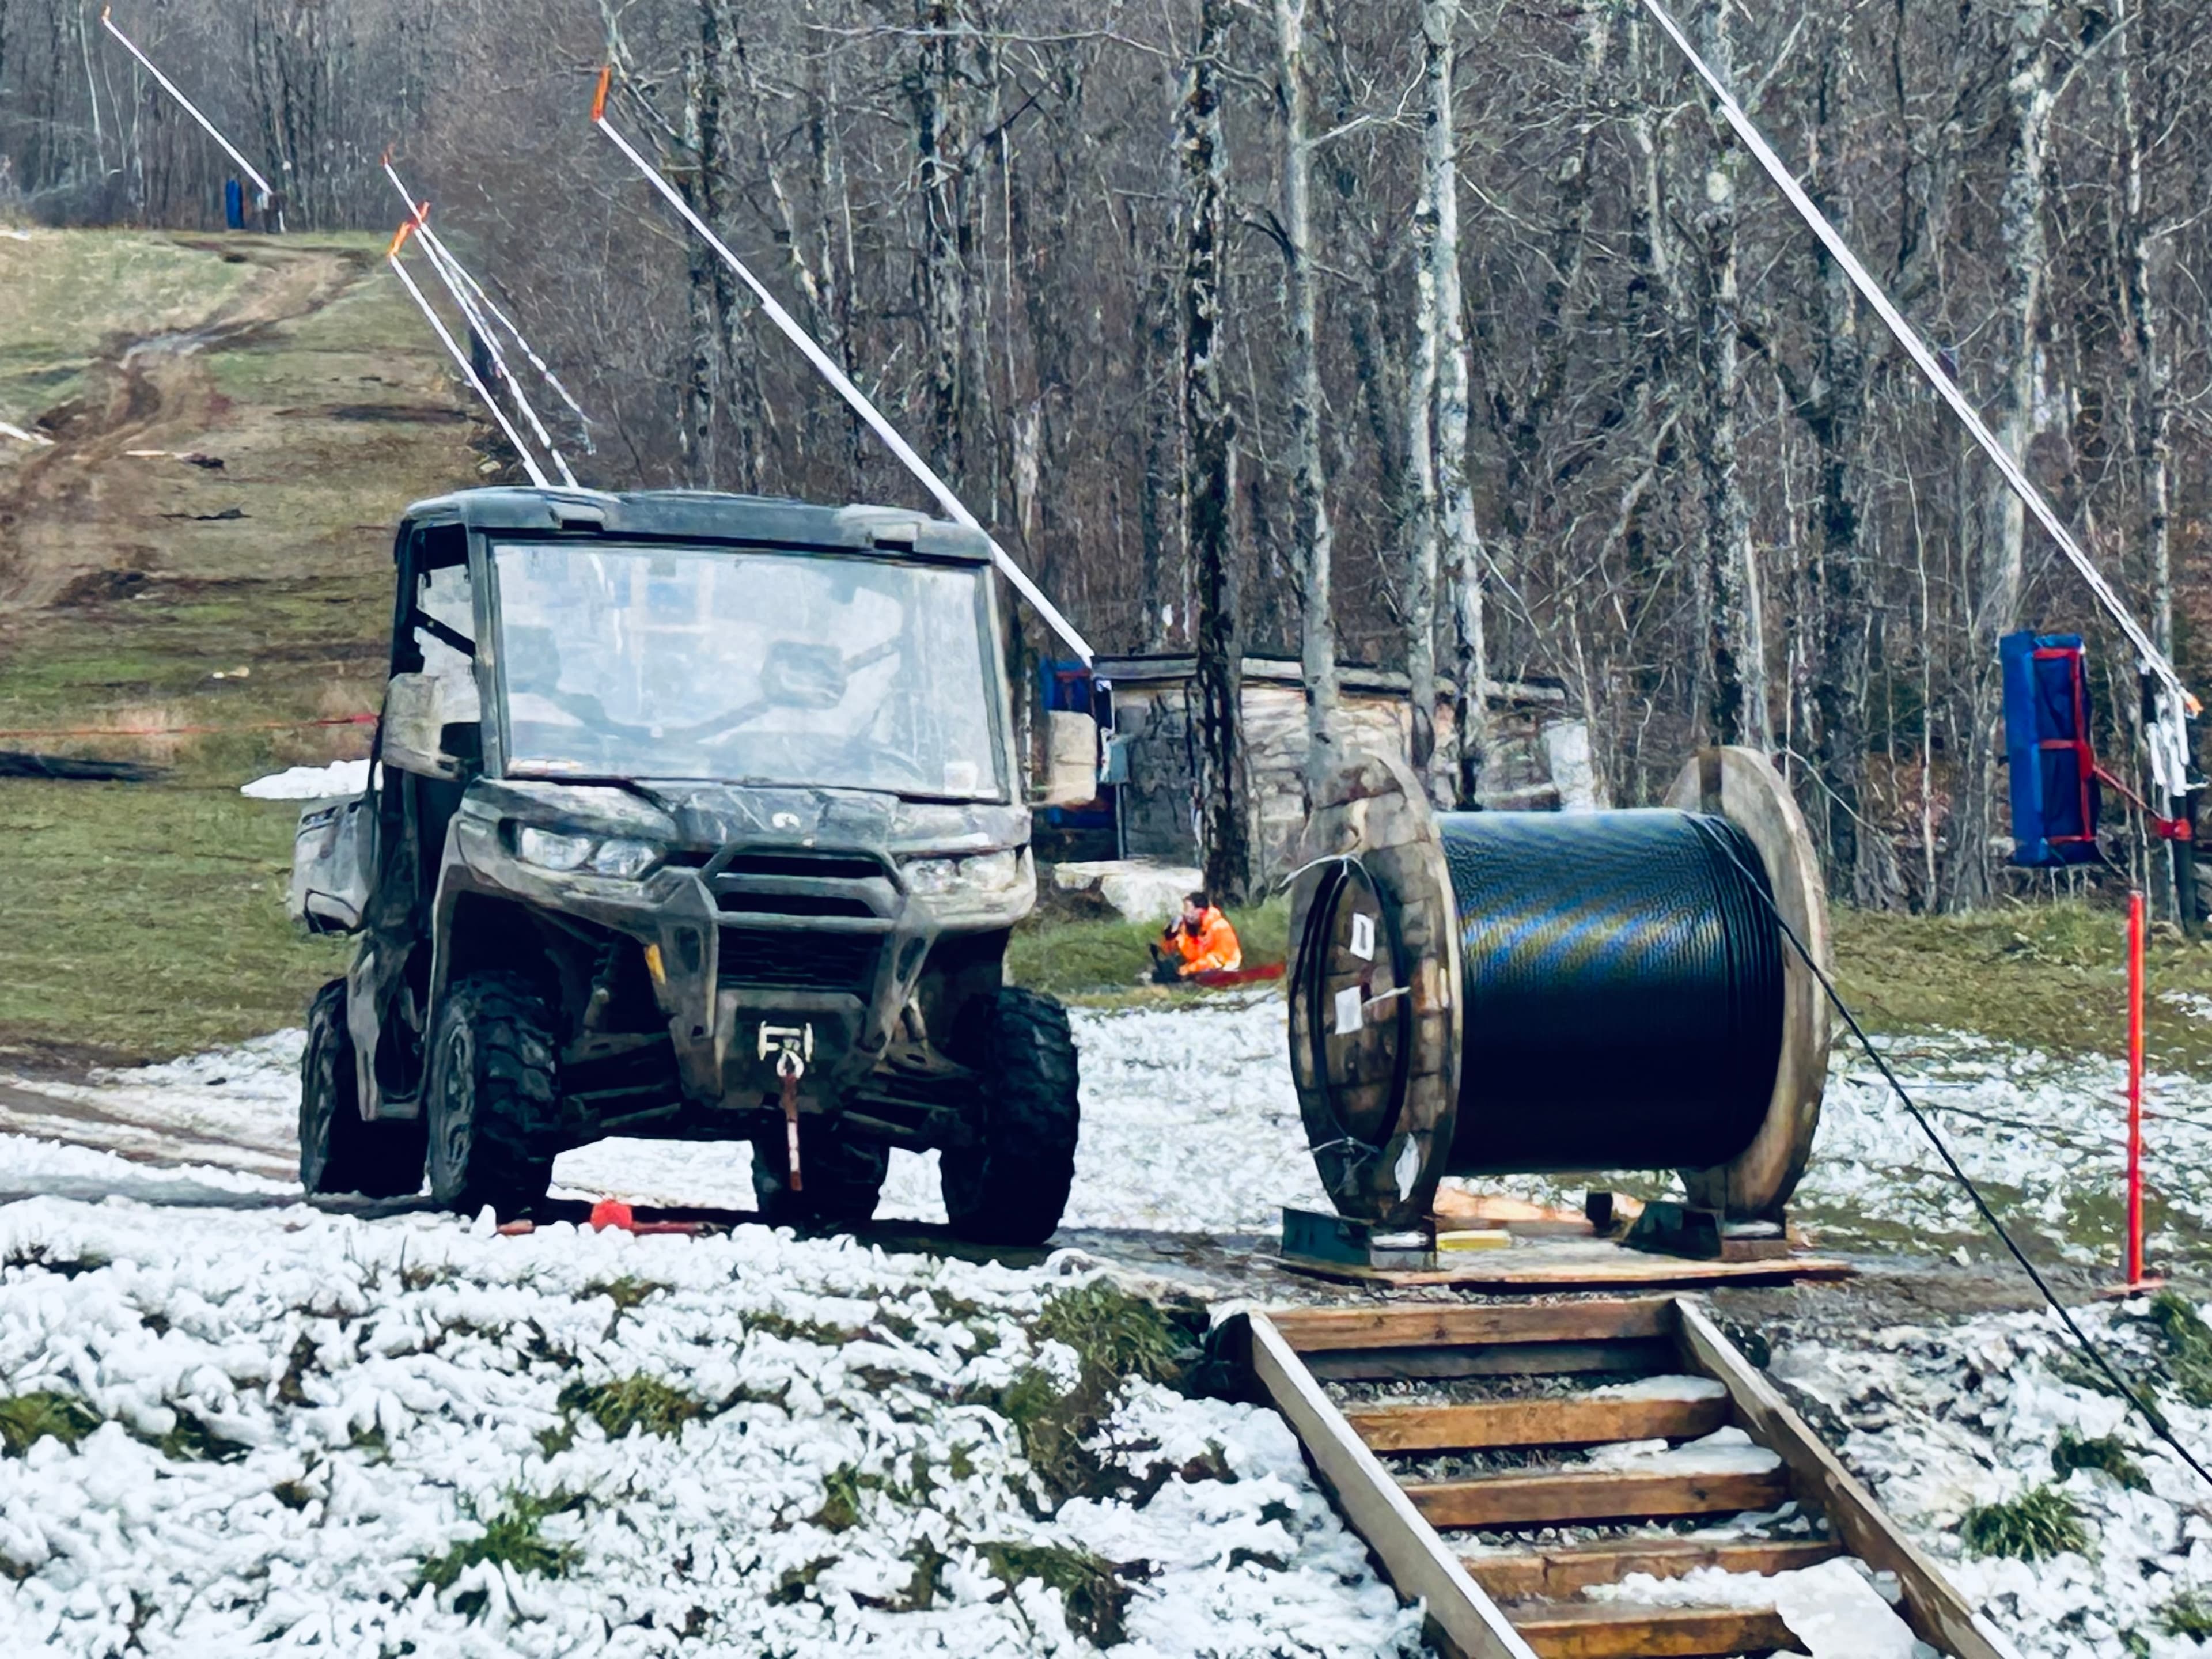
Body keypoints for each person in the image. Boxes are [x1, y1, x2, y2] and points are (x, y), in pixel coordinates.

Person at [1149, 891, 1241, 984]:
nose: (1185, 914)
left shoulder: (1220, 927)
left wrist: (1189, 969)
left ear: (1201, 910)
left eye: (1188, 909)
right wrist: (1169, 936)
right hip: (1199, 969)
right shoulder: (1188, 927)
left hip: (1225, 970)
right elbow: (1170, 951)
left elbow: (1218, 960)